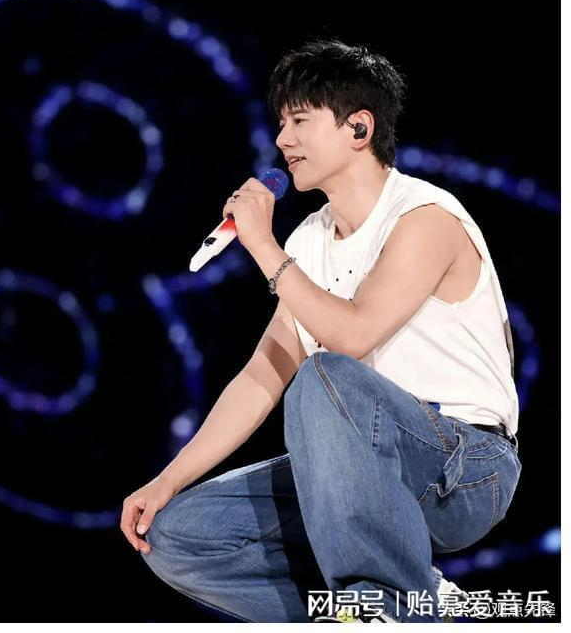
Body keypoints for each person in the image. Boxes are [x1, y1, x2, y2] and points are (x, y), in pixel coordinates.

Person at [120, 37, 522, 623]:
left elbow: (352, 337)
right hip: (357, 466)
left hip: (464, 467)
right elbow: (262, 375)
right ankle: (403, 602)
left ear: (359, 128)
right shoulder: (310, 238)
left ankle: (382, 604)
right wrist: (168, 479)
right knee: (176, 536)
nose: (283, 140)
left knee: (324, 376)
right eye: (281, 123)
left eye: (300, 121)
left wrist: (263, 246)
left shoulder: (425, 218)